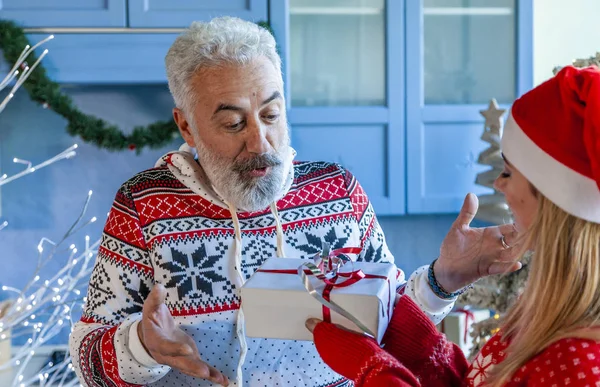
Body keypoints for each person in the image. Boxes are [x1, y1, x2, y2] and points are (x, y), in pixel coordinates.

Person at [68, 17, 517, 387]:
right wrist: (140, 347)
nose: (260, 142)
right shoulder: (144, 204)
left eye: (270, 115)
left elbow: (390, 319)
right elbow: (87, 358)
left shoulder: (338, 193)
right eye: (232, 123)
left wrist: (443, 280)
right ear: (186, 127)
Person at [306, 65, 600, 386]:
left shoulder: (577, 364)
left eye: (508, 172)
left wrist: (375, 370)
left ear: (551, 197)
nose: (499, 186)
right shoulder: (549, 316)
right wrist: (433, 299)